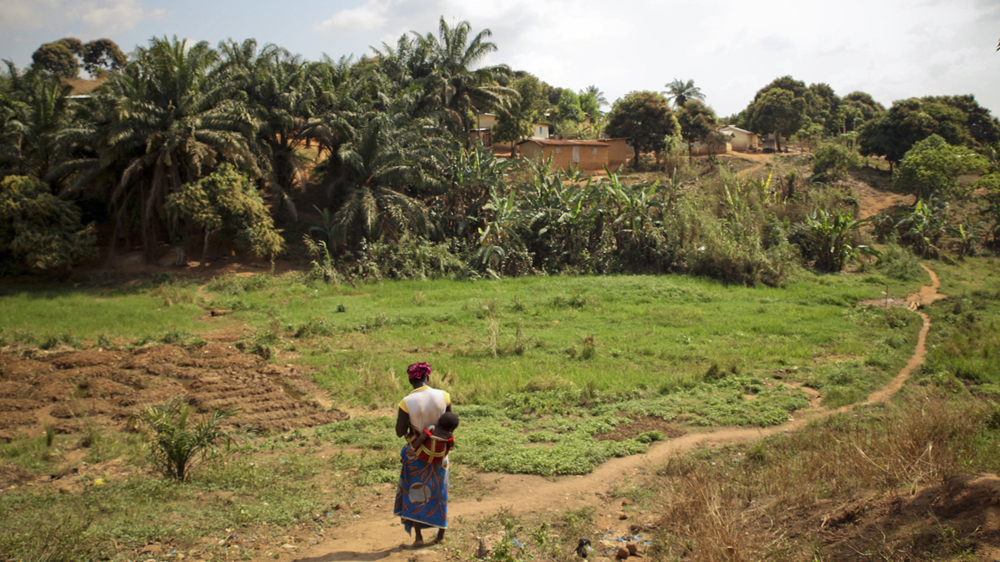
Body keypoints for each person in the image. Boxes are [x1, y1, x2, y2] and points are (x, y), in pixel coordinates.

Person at [393, 361, 452, 547]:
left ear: (411, 380)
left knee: (416, 492)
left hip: (417, 453)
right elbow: (449, 423)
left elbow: (399, 431)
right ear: (428, 377)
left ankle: (419, 538)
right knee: (440, 491)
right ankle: (441, 535)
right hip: (440, 451)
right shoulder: (444, 396)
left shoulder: (406, 402)